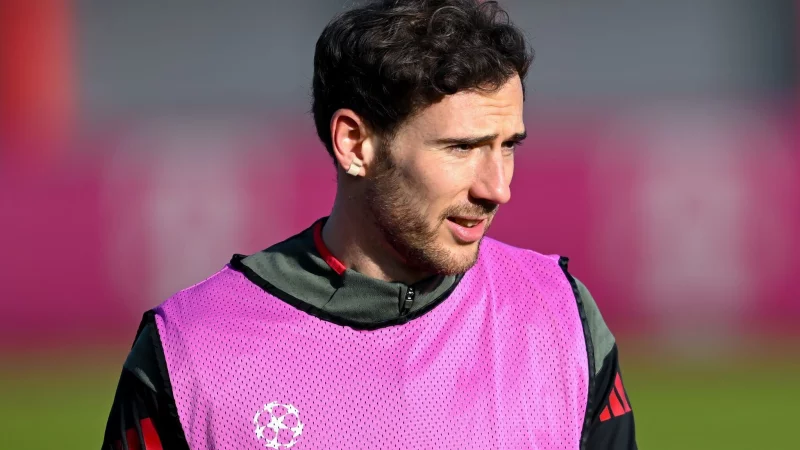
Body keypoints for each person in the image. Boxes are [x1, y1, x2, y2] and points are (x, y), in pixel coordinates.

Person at [102, 0, 637, 448]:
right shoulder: (189, 353)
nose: (497, 188)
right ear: (355, 144)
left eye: (508, 146)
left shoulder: (559, 320)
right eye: (461, 148)